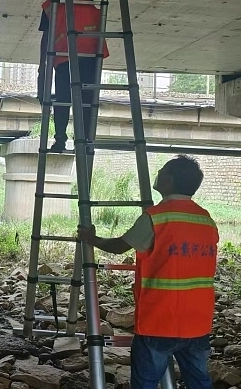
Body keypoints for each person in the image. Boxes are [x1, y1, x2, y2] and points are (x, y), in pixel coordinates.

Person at [78, 156, 218, 389]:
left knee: (145, 384)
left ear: (168, 180)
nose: (158, 174)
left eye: (162, 171)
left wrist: (90, 238)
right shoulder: (205, 219)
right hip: (198, 322)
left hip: (160, 319)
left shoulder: (156, 216)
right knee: (200, 381)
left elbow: (120, 246)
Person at [38, 0, 111, 152]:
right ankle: (60, 139)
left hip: (89, 57)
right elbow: (45, 39)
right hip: (63, 60)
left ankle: (86, 141)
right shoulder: (48, 6)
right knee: (62, 102)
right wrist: (42, 69)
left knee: (87, 102)